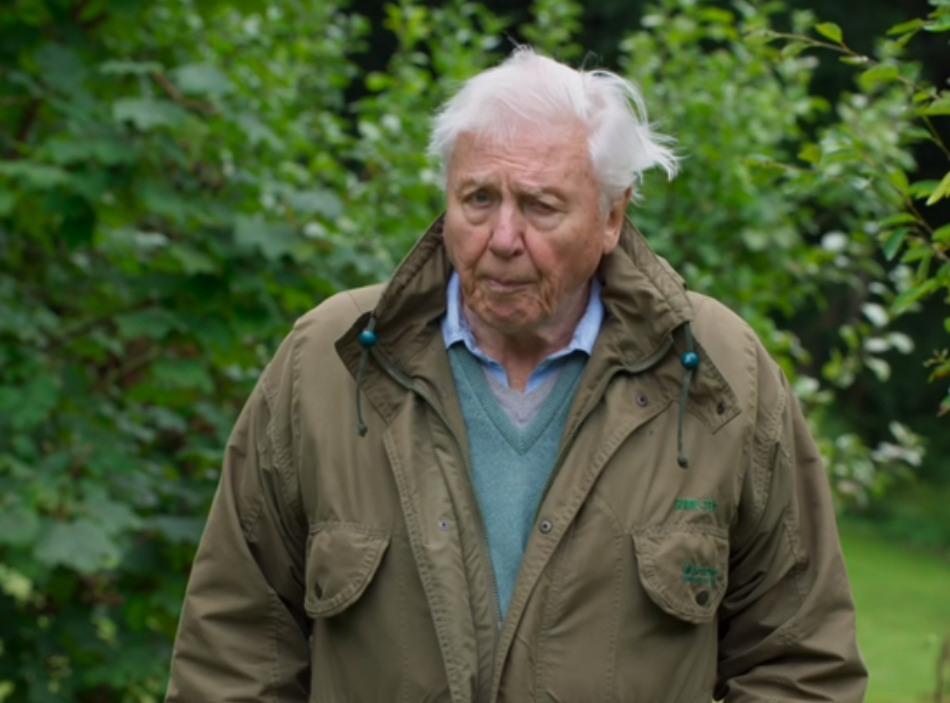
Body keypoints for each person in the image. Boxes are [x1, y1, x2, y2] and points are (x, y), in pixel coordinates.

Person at [165, 47, 866, 703]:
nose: (502, 238)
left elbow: (798, 660)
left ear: (612, 215)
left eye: (540, 206)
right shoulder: (330, 360)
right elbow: (235, 648)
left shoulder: (719, 375)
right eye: (478, 199)